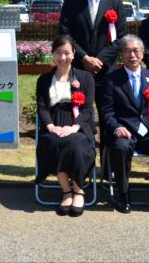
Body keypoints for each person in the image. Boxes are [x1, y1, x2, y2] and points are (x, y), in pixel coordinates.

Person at [100, 34, 149, 214]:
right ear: (121, 54)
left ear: (143, 54)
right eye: (127, 51)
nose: (132, 55)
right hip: (124, 131)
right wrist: (116, 127)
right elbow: (106, 111)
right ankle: (123, 194)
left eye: (136, 50)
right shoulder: (112, 80)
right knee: (120, 148)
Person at [58, 0, 126, 149]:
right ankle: (81, 162)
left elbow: (120, 38)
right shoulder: (71, 3)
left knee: (108, 116)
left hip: (107, 71)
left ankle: (107, 165)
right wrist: (84, 58)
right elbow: (65, 35)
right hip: (79, 69)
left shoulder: (115, 2)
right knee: (77, 114)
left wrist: (100, 60)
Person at [35, 35, 95, 217]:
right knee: (53, 143)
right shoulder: (44, 80)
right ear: (53, 54)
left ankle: (78, 191)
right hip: (53, 124)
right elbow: (42, 107)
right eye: (58, 53)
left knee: (75, 143)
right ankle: (66, 191)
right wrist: (51, 126)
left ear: (74, 54)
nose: (62, 57)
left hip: (78, 125)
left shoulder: (85, 78)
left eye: (67, 53)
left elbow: (87, 109)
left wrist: (74, 127)